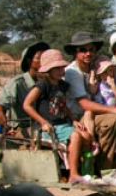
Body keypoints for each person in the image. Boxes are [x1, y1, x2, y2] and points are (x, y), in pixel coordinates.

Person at [63, 32, 116, 173]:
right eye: (83, 50)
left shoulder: (93, 69)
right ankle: (104, 168)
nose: (88, 53)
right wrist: (115, 110)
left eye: (91, 49)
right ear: (75, 52)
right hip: (80, 116)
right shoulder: (72, 72)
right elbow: (85, 104)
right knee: (113, 119)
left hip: (95, 112)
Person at [22, 49, 93, 184]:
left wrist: (73, 120)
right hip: (50, 127)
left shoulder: (62, 85)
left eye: (62, 67)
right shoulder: (43, 85)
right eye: (57, 68)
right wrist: (42, 122)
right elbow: (27, 105)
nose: (61, 71)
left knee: (87, 136)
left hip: (63, 124)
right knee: (77, 136)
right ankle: (73, 174)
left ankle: (83, 168)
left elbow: (63, 105)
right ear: (48, 70)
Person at [0, 41, 50, 138]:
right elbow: (2, 104)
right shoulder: (17, 83)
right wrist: (0, 111)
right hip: (24, 129)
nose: (43, 61)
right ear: (29, 61)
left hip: (47, 126)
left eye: (45, 58)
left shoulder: (50, 82)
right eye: (39, 58)